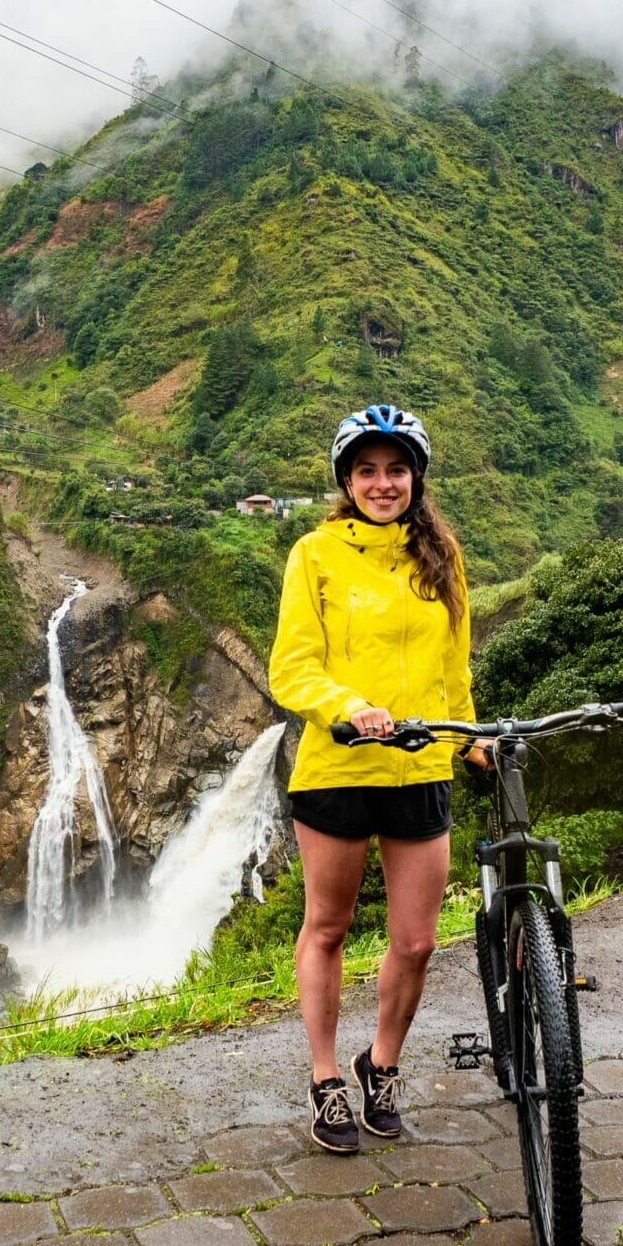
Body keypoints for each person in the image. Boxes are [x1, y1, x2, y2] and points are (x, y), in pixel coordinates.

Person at [267, 405, 486, 1153]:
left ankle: (381, 1065)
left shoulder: (442, 557)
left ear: (416, 478)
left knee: (417, 941)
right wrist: (349, 707)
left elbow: (454, 663)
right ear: (346, 480)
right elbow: (292, 666)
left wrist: (472, 733)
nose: (383, 483)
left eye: (396, 470)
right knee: (327, 928)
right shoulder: (316, 554)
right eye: (368, 470)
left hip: (422, 763)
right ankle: (327, 1077)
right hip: (337, 768)